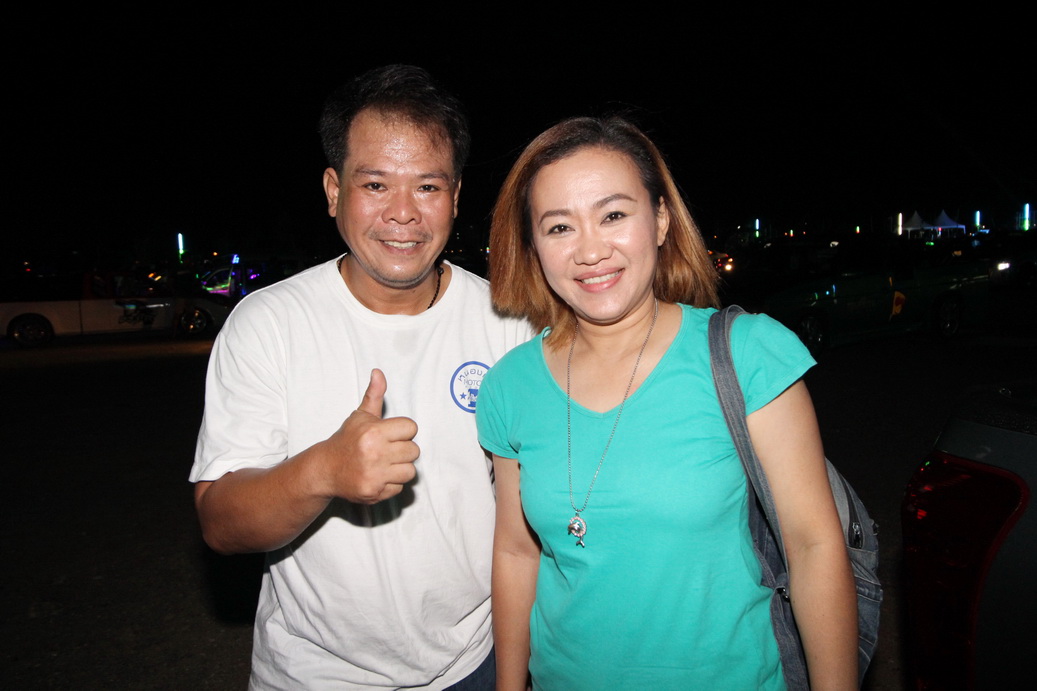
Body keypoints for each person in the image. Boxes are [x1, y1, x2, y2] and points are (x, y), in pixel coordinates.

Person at [476, 116, 858, 690]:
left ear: (659, 220)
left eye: (613, 215)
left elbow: (814, 546)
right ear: (533, 247)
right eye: (559, 227)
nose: (590, 250)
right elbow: (515, 553)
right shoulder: (510, 385)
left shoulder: (747, 354)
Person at [190, 64, 531, 690]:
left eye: (427, 187)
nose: (403, 214)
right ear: (333, 190)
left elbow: (528, 526)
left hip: (472, 662)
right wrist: (324, 470)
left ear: (456, 196)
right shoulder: (268, 323)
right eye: (375, 184)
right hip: (313, 673)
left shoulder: (509, 325)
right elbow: (220, 523)